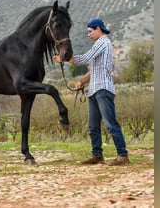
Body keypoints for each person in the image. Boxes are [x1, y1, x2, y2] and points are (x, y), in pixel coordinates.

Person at [53, 18, 129, 166]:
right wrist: (82, 81)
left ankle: (122, 155)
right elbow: (94, 70)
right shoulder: (100, 45)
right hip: (94, 90)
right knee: (93, 126)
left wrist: (64, 59)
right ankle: (97, 155)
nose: (88, 35)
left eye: (90, 31)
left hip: (103, 89)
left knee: (110, 123)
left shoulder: (103, 42)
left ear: (98, 29)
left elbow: (85, 58)